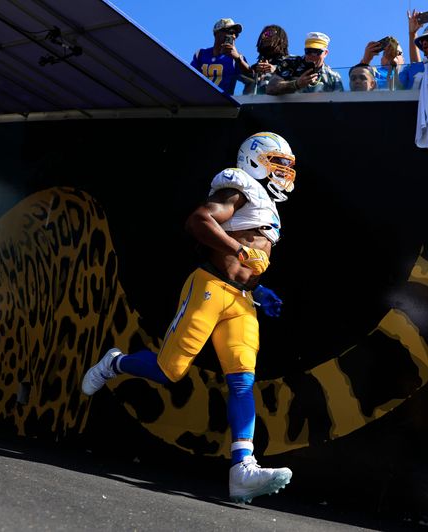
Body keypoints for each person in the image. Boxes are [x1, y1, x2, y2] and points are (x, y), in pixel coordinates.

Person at [82, 132, 297, 504]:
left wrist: (257, 288)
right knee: (171, 371)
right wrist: (241, 251)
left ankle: (242, 470)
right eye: (278, 161)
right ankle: (117, 363)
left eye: (287, 164)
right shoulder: (238, 186)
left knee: (243, 381)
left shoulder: (266, 203)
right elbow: (199, 221)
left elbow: (247, 258)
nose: (284, 170)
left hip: (242, 299)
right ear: (255, 159)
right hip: (210, 287)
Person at [267, 32, 343, 94]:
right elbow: (270, 88)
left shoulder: (332, 76)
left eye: (316, 52)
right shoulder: (290, 62)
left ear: (325, 53)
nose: (312, 56)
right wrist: (296, 84)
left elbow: (340, 103)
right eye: (308, 51)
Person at [190, 18, 250, 95]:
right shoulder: (201, 54)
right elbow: (190, 77)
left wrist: (238, 59)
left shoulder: (237, 58)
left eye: (236, 34)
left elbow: (250, 77)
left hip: (224, 104)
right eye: (231, 32)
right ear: (217, 33)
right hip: (201, 101)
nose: (234, 36)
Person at [244, 25, 290, 95]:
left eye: (269, 33)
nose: (264, 36)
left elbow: (298, 82)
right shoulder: (255, 67)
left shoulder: (291, 62)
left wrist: (276, 71)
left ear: (281, 39)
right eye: (264, 34)